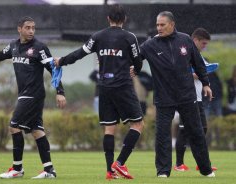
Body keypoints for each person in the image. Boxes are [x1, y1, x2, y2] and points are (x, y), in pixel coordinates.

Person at [0, 16, 66, 179]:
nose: (31, 31)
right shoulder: (13, 46)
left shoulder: (40, 48)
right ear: (19, 29)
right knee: (36, 131)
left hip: (33, 94)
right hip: (25, 94)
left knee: (14, 126)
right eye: (28, 27)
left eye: (33, 28)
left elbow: (53, 69)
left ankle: (17, 169)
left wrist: (60, 92)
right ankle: (49, 171)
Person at [54, 4, 144, 180]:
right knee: (138, 124)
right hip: (123, 86)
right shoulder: (130, 37)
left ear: (108, 19)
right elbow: (138, 61)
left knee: (109, 128)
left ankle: (110, 172)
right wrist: (136, 69)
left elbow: (80, 53)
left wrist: (61, 61)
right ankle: (119, 163)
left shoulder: (98, 36)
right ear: (124, 19)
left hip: (103, 87)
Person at [139, 11, 215, 177]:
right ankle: (163, 171)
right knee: (162, 135)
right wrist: (122, 64)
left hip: (187, 96)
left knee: (196, 132)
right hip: (163, 97)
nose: (158, 28)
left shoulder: (185, 40)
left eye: (162, 25)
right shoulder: (150, 45)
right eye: (157, 25)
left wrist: (206, 84)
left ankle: (206, 170)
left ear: (172, 24)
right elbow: (134, 58)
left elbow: (198, 64)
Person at [174, 28, 217, 172]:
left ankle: (202, 162)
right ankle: (179, 164)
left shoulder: (199, 56)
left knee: (202, 129)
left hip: (198, 99)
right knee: (184, 131)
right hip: (186, 98)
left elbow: (202, 71)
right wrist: (198, 73)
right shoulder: (183, 53)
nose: (205, 46)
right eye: (203, 43)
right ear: (195, 40)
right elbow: (179, 72)